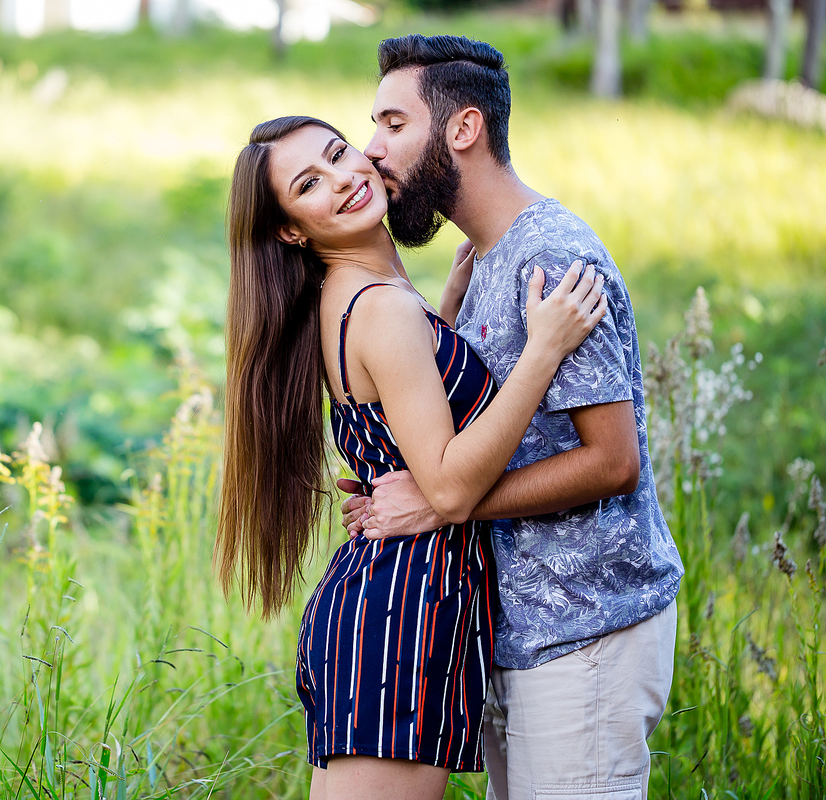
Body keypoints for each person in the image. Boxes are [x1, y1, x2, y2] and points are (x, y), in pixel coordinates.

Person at [215, 115, 607, 800]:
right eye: (309, 184)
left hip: (399, 606)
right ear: (291, 230)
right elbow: (450, 490)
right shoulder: (381, 309)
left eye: (339, 154)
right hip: (399, 619)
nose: (342, 179)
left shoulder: (365, 299)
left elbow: (404, 421)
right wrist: (543, 351)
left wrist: (443, 320)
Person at [341, 35, 685, 800]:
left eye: (392, 124)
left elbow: (610, 462)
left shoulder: (555, 258)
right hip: (520, 635)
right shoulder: (487, 256)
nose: (371, 151)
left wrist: (437, 503)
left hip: (587, 628)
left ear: (462, 129)